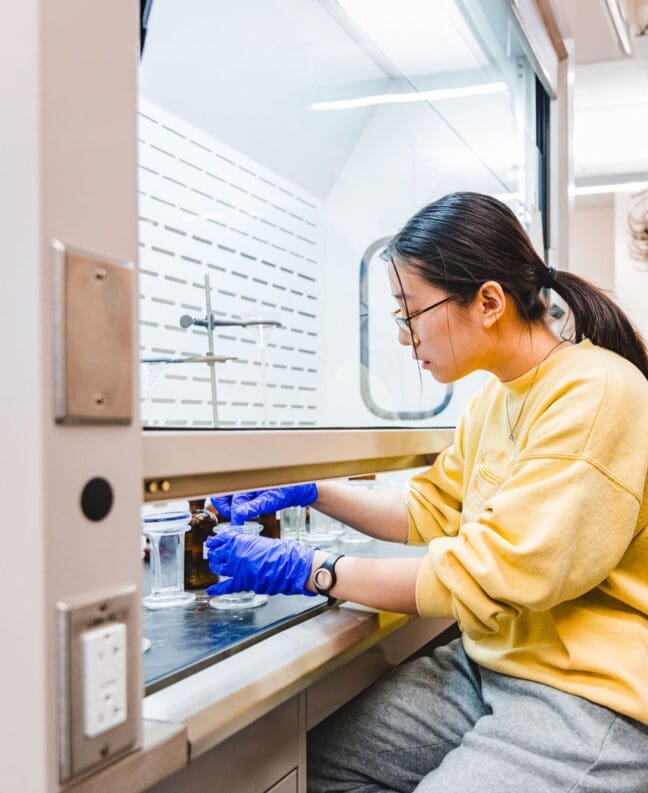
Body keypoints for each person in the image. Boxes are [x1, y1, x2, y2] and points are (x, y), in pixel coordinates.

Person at [205, 192, 648, 792]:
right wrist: (311, 491)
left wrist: (316, 569)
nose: (403, 336)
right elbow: (430, 508)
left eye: (410, 312)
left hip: (587, 693)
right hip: (491, 666)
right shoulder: (497, 395)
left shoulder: (597, 394)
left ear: (488, 302)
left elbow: (489, 573)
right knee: (314, 765)